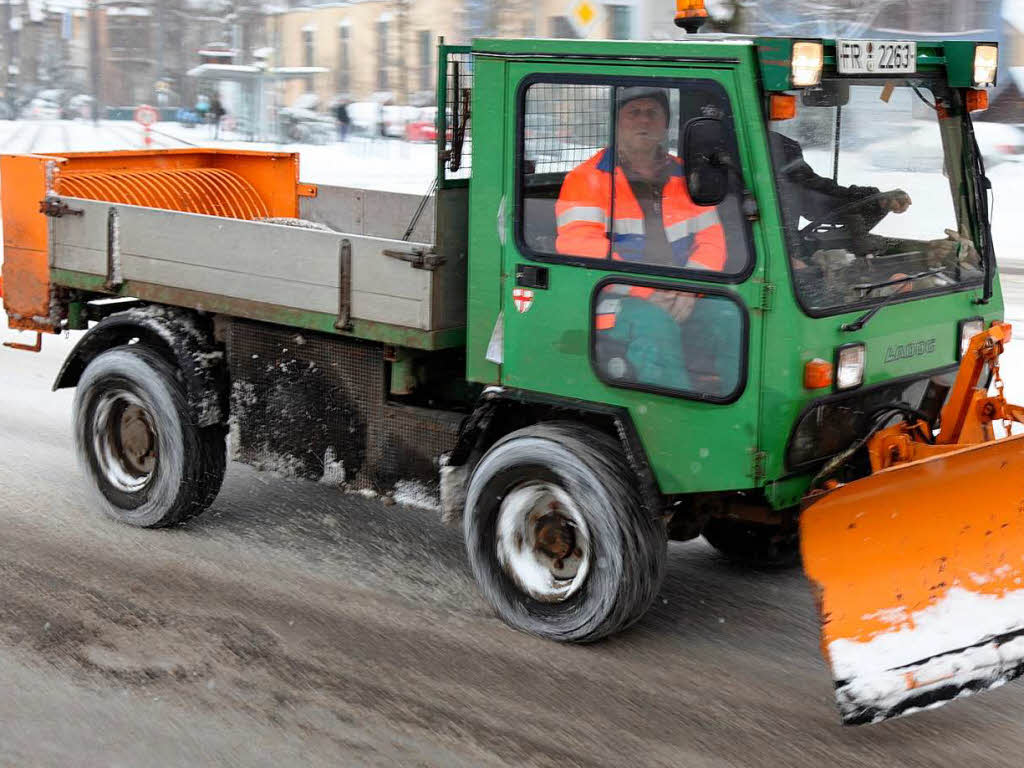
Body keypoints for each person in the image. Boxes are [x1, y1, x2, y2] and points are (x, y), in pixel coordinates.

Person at [556, 86, 726, 324]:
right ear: (617, 123)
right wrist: (646, 291)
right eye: (634, 112)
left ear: (665, 123)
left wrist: (690, 289)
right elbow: (581, 247)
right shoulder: (586, 179)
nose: (644, 120)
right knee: (654, 327)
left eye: (653, 112)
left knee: (728, 319)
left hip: (683, 289)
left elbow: (712, 240)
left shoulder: (688, 176)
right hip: (614, 296)